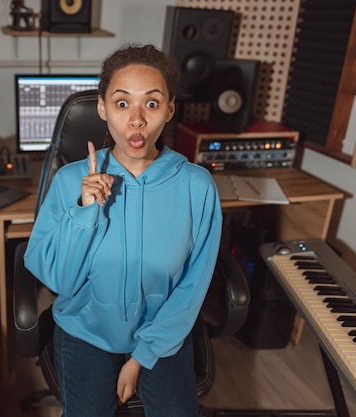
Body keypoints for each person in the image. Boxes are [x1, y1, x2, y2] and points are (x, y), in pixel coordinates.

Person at [24, 44, 222, 417]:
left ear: (169, 109)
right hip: (86, 331)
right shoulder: (70, 181)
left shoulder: (198, 187)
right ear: (102, 109)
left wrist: (142, 357)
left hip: (162, 333)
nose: (136, 120)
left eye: (150, 103)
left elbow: (192, 286)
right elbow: (59, 281)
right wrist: (85, 212)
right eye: (121, 103)